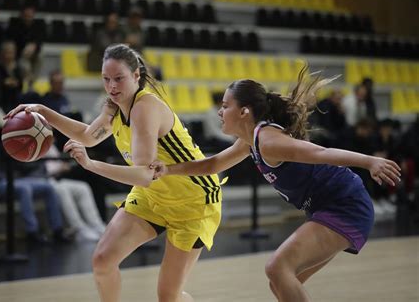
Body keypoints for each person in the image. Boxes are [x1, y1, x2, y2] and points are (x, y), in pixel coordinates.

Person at [151, 68, 401, 302]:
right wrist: (168, 170)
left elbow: (321, 153)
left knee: (277, 268)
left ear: (244, 112)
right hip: (328, 208)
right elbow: (212, 165)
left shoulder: (269, 141)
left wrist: (370, 161)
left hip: (346, 206)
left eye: (225, 106)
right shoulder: (250, 140)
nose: (219, 111)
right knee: (280, 282)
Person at [5, 43, 222, 302]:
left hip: (192, 198)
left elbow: (145, 174)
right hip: (154, 196)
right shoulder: (114, 107)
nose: (112, 86)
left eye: (118, 78)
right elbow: (87, 136)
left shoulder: (145, 107)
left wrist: (92, 165)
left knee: (168, 297)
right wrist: (42, 111)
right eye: (106, 79)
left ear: (136, 76)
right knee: (103, 260)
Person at [0, 120, 73, 245]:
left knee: (48, 187)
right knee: (24, 189)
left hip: (10, 180)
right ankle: (32, 232)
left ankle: (57, 230)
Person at [45, 144, 106, 242]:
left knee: (83, 187)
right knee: (62, 190)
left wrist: (63, 167)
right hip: (45, 179)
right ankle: (78, 228)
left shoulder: (51, 145)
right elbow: (43, 169)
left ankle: (97, 225)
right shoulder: (35, 144)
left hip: (58, 178)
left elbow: (59, 163)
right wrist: (60, 168)